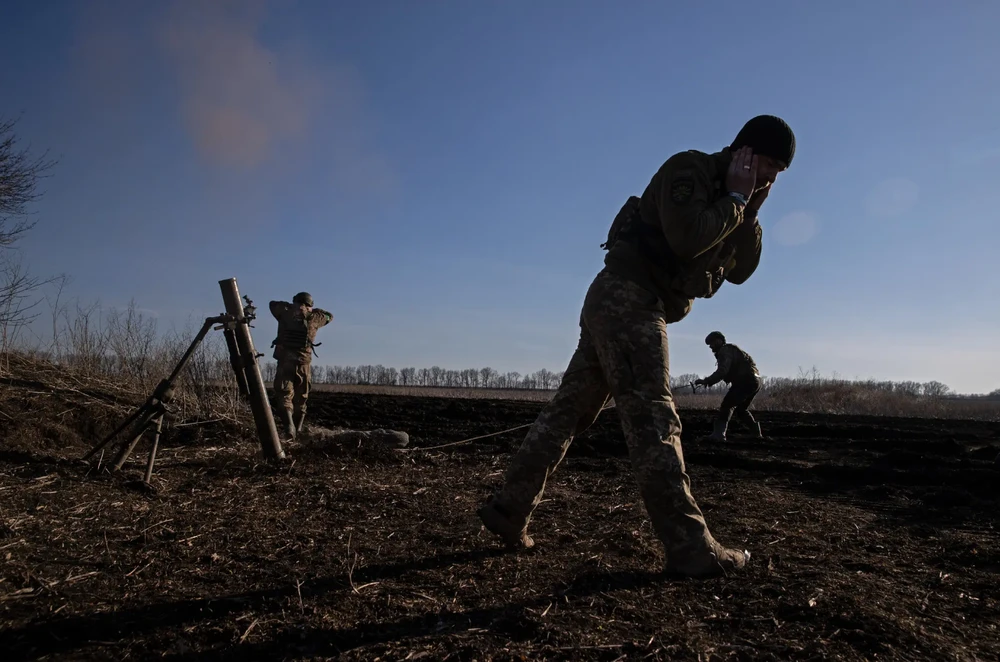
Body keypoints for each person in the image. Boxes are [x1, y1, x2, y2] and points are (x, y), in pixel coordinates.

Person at [476, 115, 795, 578]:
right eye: (766, 163)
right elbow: (687, 239)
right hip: (629, 299)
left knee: (568, 413)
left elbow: (742, 271)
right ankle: (691, 548)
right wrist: (734, 198)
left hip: (627, 303)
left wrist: (749, 208)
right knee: (652, 417)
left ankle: (508, 509)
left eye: (779, 173)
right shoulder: (689, 170)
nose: (769, 176)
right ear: (743, 151)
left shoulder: (739, 197)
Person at [268, 292, 333, 439]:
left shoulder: (284, 313)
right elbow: (329, 316)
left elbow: (272, 304)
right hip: (304, 364)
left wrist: (291, 307)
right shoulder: (315, 318)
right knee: (302, 398)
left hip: (285, 362)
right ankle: (297, 430)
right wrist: (313, 311)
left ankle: (289, 428)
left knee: (284, 395)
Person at [695, 331, 764, 440]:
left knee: (727, 405)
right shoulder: (730, 350)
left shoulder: (725, 351)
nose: (711, 347)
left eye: (712, 343)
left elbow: (722, 371)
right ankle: (757, 434)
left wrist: (706, 381)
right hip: (756, 381)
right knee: (741, 410)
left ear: (719, 341)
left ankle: (719, 435)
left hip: (745, 381)